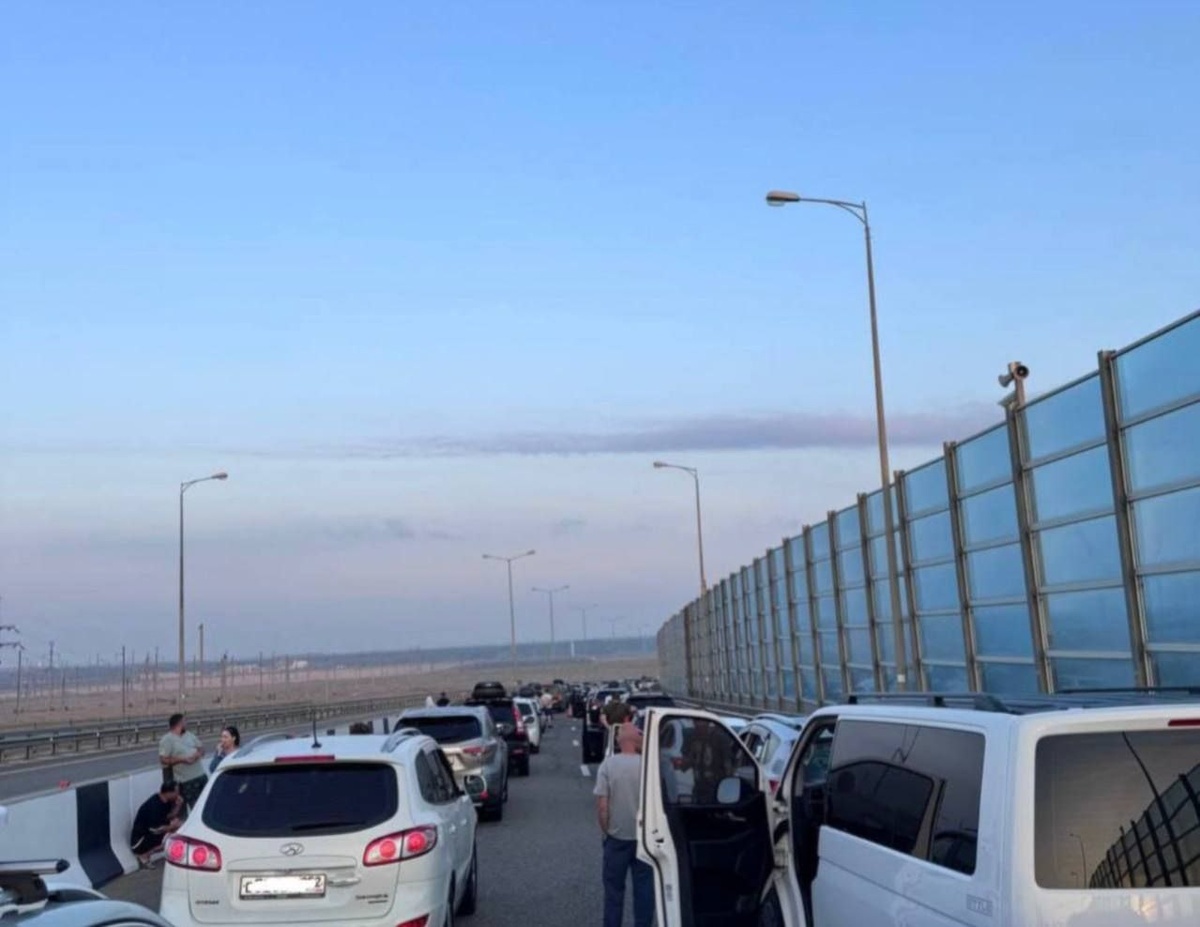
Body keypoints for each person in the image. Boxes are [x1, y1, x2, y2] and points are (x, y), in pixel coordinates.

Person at [594, 723, 653, 927]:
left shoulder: (608, 766)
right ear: (637, 741)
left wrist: (607, 831)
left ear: (619, 741)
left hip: (617, 838)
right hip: (644, 839)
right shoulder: (648, 766)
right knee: (644, 891)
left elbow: (602, 806)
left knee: (613, 892)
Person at [158, 713, 207, 811]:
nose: (186, 723)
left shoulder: (189, 735)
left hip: (200, 776)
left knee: (207, 803)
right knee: (196, 808)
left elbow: (201, 749)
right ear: (179, 723)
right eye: (185, 721)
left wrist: (197, 755)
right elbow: (163, 759)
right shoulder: (167, 740)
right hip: (186, 781)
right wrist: (182, 760)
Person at [130, 781, 183, 869]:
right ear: (169, 792)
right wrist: (173, 826)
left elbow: (169, 816)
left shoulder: (166, 801)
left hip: (150, 833)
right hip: (140, 841)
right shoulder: (154, 805)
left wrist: (178, 805)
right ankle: (144, 855)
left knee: (180, 828)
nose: (178, 794)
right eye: (176, 792)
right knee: (173, 838)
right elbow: (155, 829)